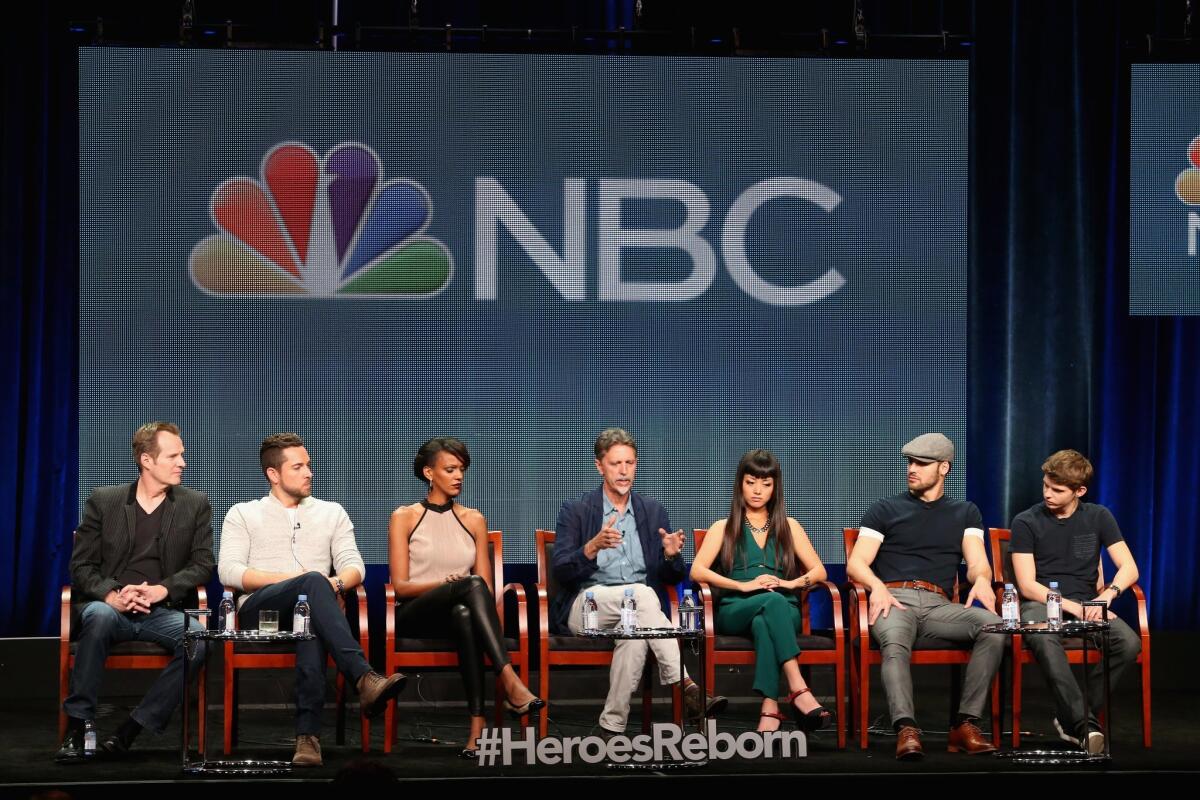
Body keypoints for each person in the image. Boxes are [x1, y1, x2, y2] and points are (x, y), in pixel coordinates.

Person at [218, 433, 406, 767]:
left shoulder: (332, 512)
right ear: (273, 475)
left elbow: (354, 567)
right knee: (312, 585)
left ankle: (308, 739)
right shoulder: (243, 513)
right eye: (299, 466)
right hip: (262, 610)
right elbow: (229, 571)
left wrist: (328, 584)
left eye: (309, 465)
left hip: (309, 610)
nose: (309, 472)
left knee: (312, 618)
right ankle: (363, 678)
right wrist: (301, 580)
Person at [552, 427, 726, 736]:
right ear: (599, 465)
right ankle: (686, 685)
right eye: (615, 463)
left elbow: (672, 577)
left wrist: (672, 556)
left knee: (634, 637)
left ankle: (611, 726)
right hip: (588, 606)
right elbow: (562, 571)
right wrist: (591, 547)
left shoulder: (653, 512)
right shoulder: (576, 511)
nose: (623, 471)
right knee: (643, 596)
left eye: (629, 463)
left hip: (635, 613)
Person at [58, 422, 213, 762]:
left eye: (182, 455)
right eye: (174, 456)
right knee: (97, 617)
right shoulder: (104, 501)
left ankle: (133, 728)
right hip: (111, 608)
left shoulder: (194, 504)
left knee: (198, 638)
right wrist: (112, 594)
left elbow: (203, 563)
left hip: (161, 611)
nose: (182, 463)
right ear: (146, 460)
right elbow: (80, 567)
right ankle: (78, 725)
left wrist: (162, 589)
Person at [845, 432, 1002, 760]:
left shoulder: (965, 512)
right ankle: (906, 728)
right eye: (910, 462)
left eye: (921, 463)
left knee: (992, 626)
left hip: (938, 605)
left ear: (944, 468)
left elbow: (976, 564)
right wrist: (876, 588)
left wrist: (983, 580)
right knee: (894, 642)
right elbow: (857, 563)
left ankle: (966, 724)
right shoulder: (885, 509)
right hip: (894, 597)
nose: (911, 469)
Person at [388, 437, 544, 758]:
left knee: (463, 611)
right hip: (415, 614)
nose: (459, 476)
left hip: (458, 614)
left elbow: (483, 587)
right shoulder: (404, 517)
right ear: (429, 473)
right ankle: (510, 680)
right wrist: (443, 584)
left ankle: (477, 731)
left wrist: (458, 587)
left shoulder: (474, 519)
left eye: (462, 469)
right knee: (467, 587)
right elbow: (400, 586)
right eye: (450, 469)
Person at [1010, 449, 1142, 755]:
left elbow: (1129, 568)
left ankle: (1072, 718)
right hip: (1042, 603)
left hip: (1089, 602)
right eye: (1045, 485)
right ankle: (1085, 726)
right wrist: (1074, 607)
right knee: (1044, 637)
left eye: (1057, 490)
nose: (1047, 494)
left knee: (1128, 642)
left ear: (1079, 491)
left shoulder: (1098, 516)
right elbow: (1028, 585)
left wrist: (1105, 598)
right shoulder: (1026, 521)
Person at [690, 449, 832, 733]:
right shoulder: (723, 527)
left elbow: (819, 572)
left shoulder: (789, 527)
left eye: (766, 484)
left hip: (782, 609)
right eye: (751, 482)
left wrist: (789, 584)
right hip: (735, 607)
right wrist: (742, 584)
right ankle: (798, 688)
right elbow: (697, 571)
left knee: (766, 616)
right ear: (740, 483)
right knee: (769, 604)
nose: (757, 491)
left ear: (775, 488)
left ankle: (770, 706)